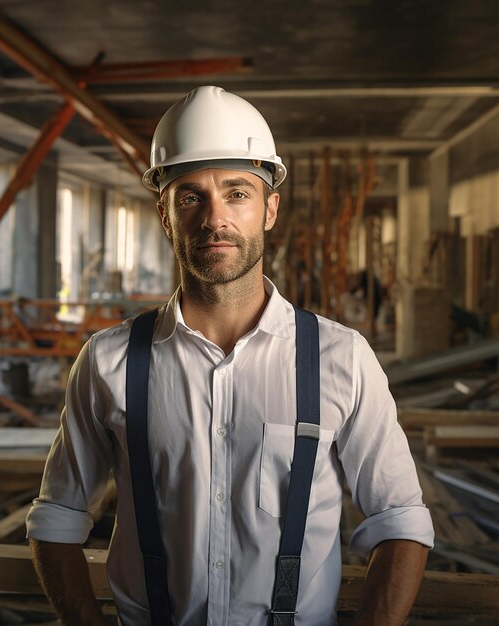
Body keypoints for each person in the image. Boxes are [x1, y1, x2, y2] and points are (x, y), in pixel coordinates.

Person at [26, 85, 434, 626]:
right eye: (191, 196)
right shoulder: (109, 362)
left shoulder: (341, 358)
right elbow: (57, 517)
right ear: (166, 215)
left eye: (237, 194)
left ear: (270, 209)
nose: (215, 219)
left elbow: (400, 520)